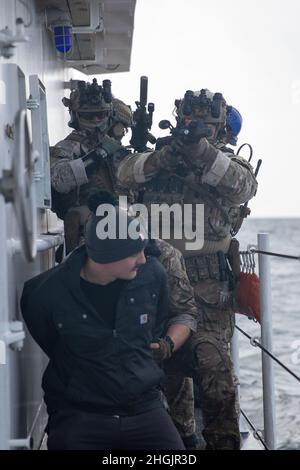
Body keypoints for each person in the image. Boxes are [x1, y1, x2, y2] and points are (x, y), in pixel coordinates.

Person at [116, 88, 258, 450]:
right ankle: (180, 443)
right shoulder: (161, 156)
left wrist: (201, 152)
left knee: (216, 372)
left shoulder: (224, 163)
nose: (197, 130)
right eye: (191, 124)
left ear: (219, 129)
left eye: (207, 126)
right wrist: (162, 159)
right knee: (166, 374)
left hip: (208, 286)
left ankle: (222, 443)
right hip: (157, 282)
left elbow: (243, 186)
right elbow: (125, 175)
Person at [20, 193, 185, 450]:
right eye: (134, 253)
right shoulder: (48, 292)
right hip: (81, 413)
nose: (143, 259)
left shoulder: (152, 275)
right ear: (104, 258)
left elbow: (156, 323)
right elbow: (46, 333)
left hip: (143, 407)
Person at [50, 78, 133, 254]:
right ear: (76, 116)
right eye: (88, 115)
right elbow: (59, 180)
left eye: (100, 114)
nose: (95, 120)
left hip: (126, 226)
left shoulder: (117, 148)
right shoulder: (69, 146)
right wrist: (99, 155)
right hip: (88, 233)